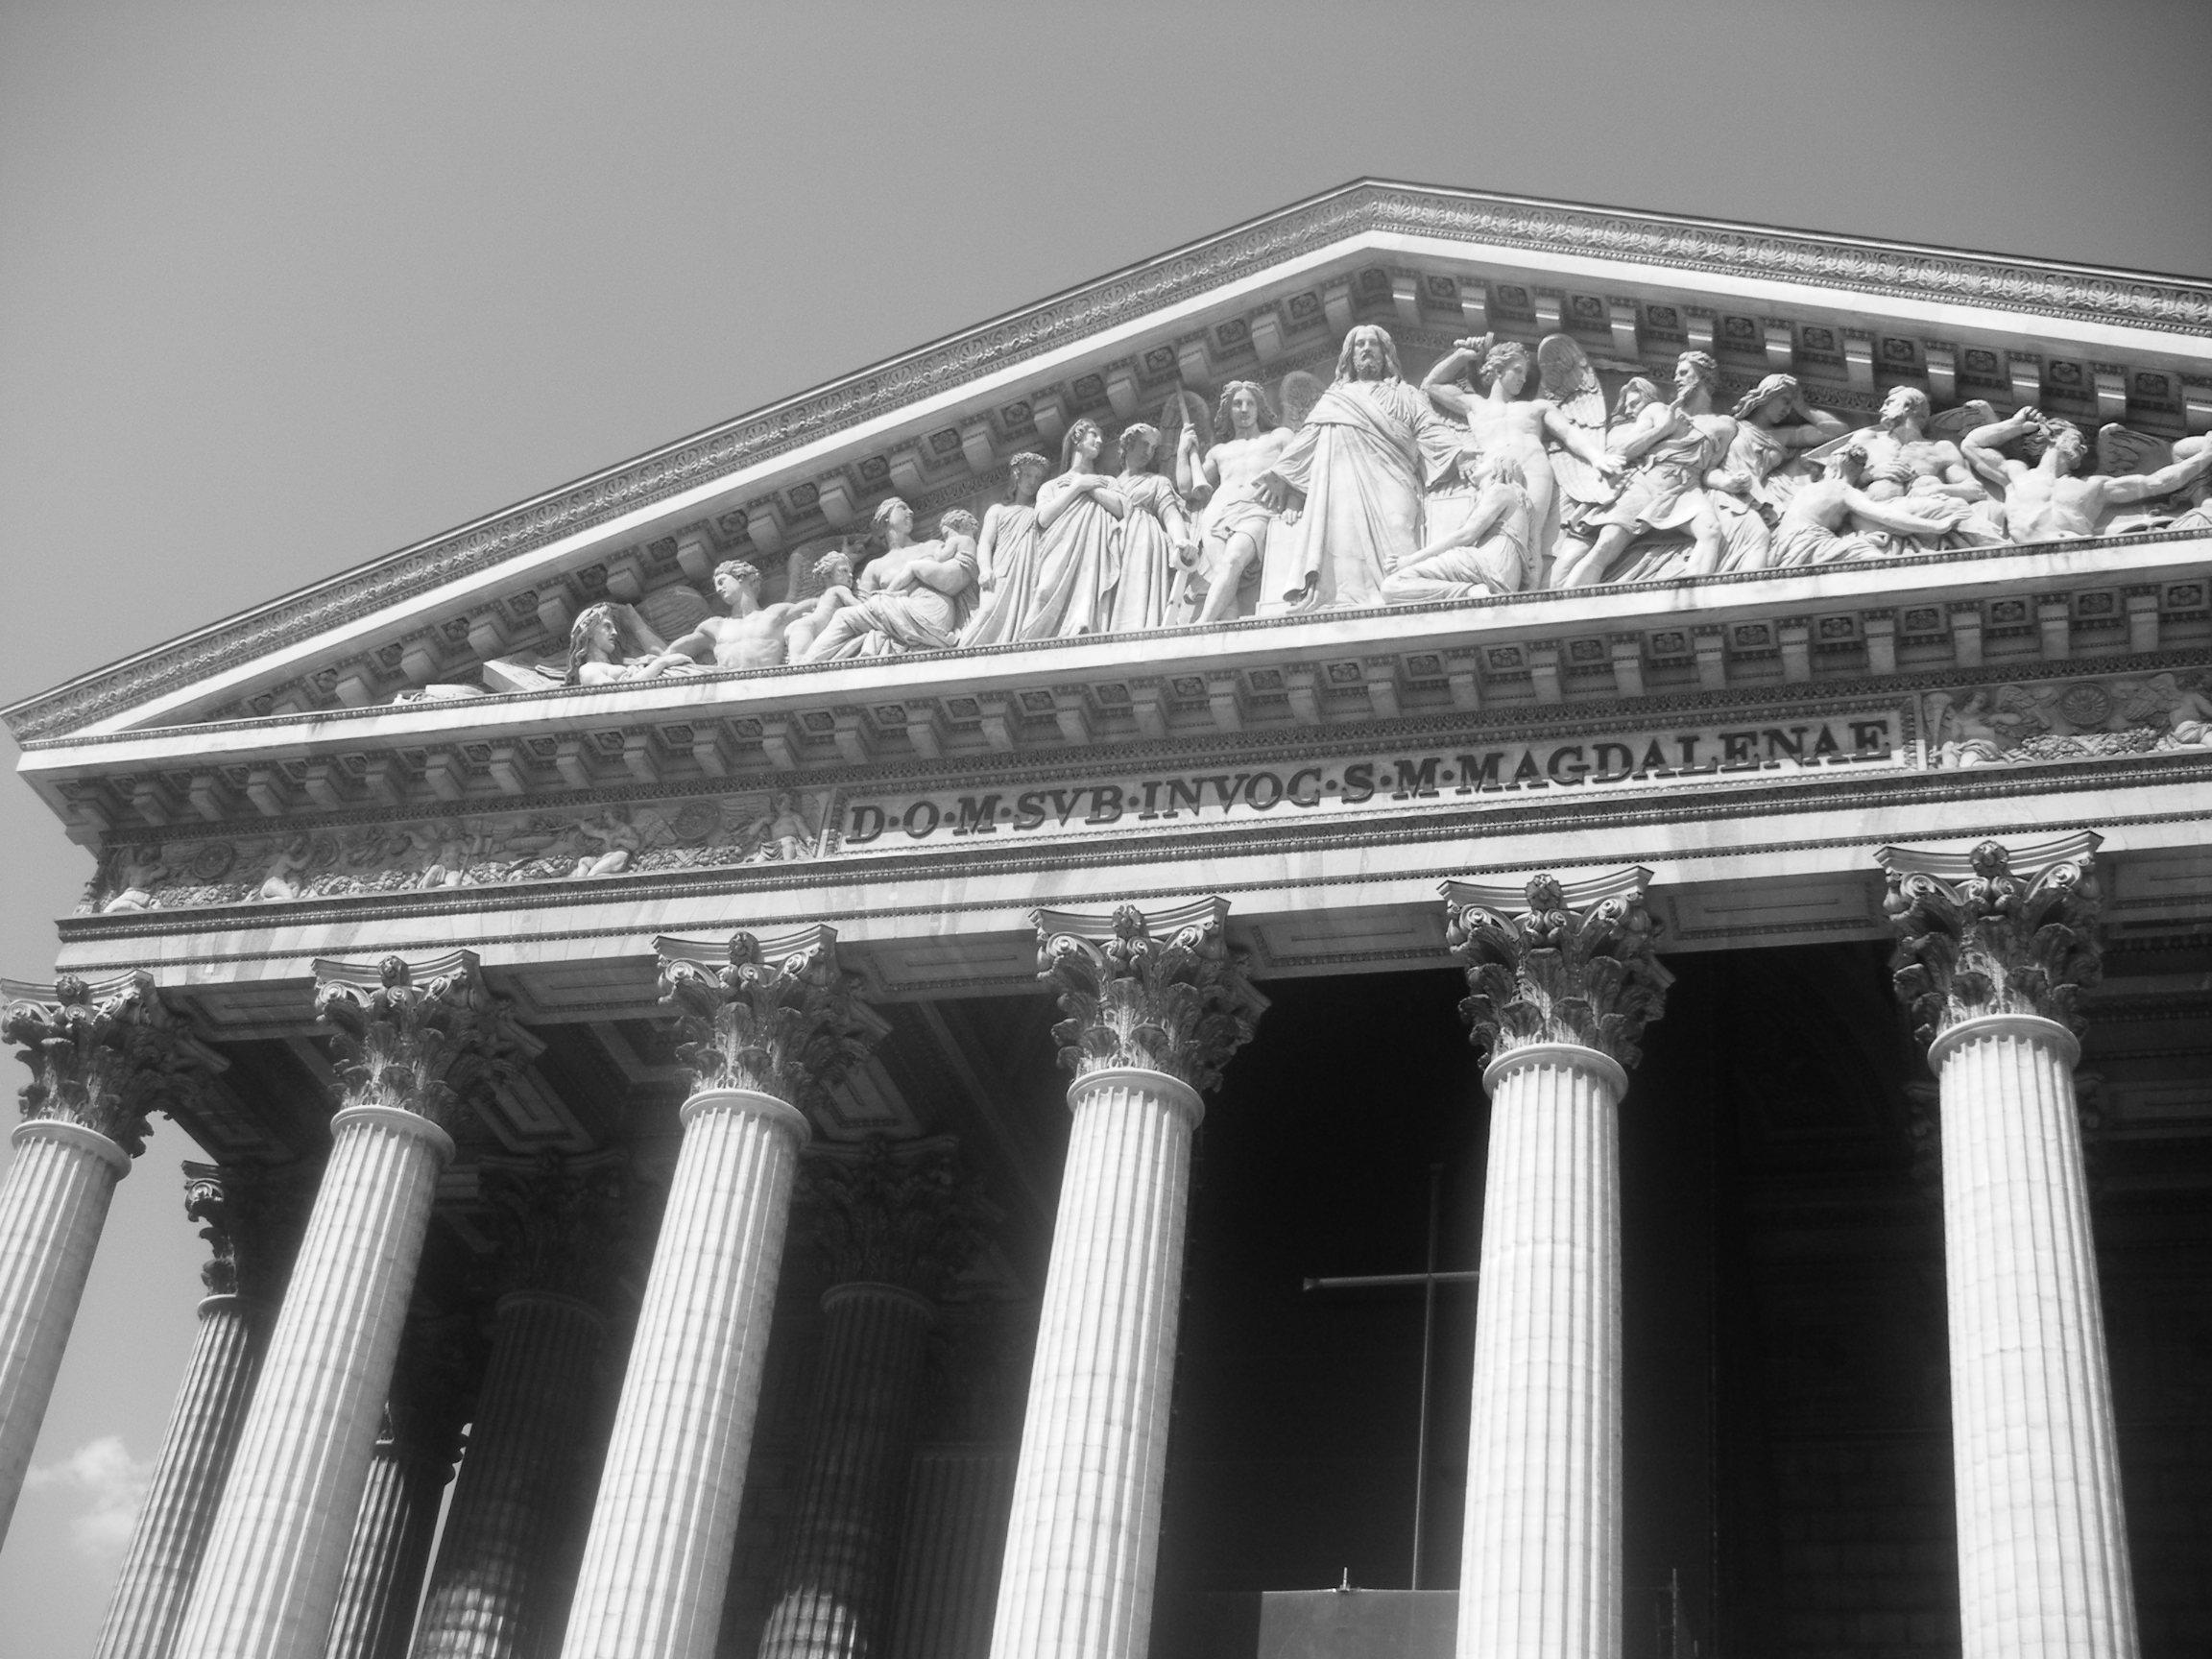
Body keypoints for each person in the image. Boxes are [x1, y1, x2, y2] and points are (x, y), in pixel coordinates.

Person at [1255, 325, 1463, 611]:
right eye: (1359, 345)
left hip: (1394, 476)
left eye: (1372, 344)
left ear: (1385, 353)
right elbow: (1308, 438)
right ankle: (1345, 600)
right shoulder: (1336, 397)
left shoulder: (1405, 393)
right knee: (1344, 541)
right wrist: (1283, 476)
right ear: (1350, 355)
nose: (1366, 349)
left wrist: (1461, 455)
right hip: (1343, 482)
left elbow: (1429, 427)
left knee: (1398, 527)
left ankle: (1406, 595)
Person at [1417, 335, 1621, 573]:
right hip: (1495, 469)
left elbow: (1568, 432)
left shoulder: (1537, 407)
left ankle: (1533, 585)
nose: (1523, 378)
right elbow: (1431, 385)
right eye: (1517, 370)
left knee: (1532, 534)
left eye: (1525, 373)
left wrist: (1596, 457)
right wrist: (1463, 356)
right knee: (1493, 530)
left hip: (1534, 467)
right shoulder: (1474, 405)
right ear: (1498, 370)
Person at [1551, 354, 1734, 586]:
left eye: (1684, 373)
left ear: (1704, 376)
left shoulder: (1725, 425)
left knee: (1711, 530)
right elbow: (1622, 451)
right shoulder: (1658, 410)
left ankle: (1694, 594)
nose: (1677, 379)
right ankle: (1571, 599)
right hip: (1647, 482)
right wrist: (1663, 428)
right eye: (1676, 374)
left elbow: (1710, 471)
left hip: (1686, 488)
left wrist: (1727, 482)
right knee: (1607, 544)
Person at [1962, 410, 2212, 541]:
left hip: (2075, 548)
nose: (2083, 448)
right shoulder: (2016, 474)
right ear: (2052, 436)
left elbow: (2155, 482)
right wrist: (2015, 426)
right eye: (2077, 440)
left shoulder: (2093, 486)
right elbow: (1971, 445)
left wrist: (2204, 457)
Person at [1175, 380, 1293, 623]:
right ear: (1228, 411)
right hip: (1217, 513)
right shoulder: (1219, 451)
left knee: (1233, 560)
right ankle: (1228, 626)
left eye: (1250, 403)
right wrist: (1182, 451)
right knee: (1223, 572)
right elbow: (1187, 488)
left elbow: (1303, 466)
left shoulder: (1279, 437)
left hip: (1257, 508)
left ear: (1259, 408)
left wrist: (1290, 496)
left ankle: (1203, 624)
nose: (1244, 409)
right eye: (1237, 404)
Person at [801, 500, 980, 661]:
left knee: (844, 617)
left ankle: (806, 666)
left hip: (934, 612)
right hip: (900, 616)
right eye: (902, 508)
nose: (910, 512)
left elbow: (958, 576)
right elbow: (861, 605)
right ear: (885, 518)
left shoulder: (932, 546)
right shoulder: (874, 566)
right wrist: (847, 564)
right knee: (850, 614)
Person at [1768, 445, 1972, 566]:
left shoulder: (1805, 490)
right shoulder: (1844, 490)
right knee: (1883, 566)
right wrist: (1936, 526)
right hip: (1811, 545)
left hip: (1782, 549)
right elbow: (1886, 515)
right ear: (1857, 472)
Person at [1381, 452, 1535, 602]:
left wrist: (1408, 560)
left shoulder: (1500, 490)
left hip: (1488, 566)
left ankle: (1468, 591)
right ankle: (1470, 591)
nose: (1478, 461)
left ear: (1497, 468)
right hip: (1507, 578)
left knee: (1392, 585)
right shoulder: (1517, 499)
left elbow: (1466, 535)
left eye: (1484, 460)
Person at [1022, 419, 1126, 639]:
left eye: (1101, 437)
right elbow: (1043, 519)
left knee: (1087, 593)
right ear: (1076, 439)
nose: (1100, 441)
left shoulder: (1106, 481)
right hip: (1058, 548)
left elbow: (1120, 508)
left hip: (1093, 549)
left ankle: (1083, 630)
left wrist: (1089, 487)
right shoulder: (1051, 486)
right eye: (1093, 434)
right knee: (1044, 591)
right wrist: (1077, 486)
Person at [657, 558, 839, 671]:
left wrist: (838, 570)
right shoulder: (714, 626)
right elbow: (673, 651)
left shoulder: (777, 614)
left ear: (742, 578)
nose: (718, 589)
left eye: (722, 581)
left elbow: (824, 603)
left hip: (772, 685)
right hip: (726, 692)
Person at [1104, 423, 1197, 634]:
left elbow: (1170, 514)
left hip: (1142, 539)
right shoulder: (1107, 484)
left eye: (1153, 448)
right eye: (1144, 444)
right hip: (1109, 544)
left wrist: (1181, 541)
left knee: (1136, 596)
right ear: (1128, 445)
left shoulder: (1157, 481)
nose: (1149, 452)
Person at [959, 452, 1051, 646]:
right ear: (1017, 476)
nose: (1032, 482)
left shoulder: (1040, 511)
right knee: (988, 611)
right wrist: (985, 569)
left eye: (1037, 478)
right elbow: (985, 542)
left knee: (1027, 617)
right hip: (1002, 570)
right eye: (1028, 475)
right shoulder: (998, 510)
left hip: (1030, 572)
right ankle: (962, 653)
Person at [564, 602, 700, 685]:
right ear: (588, 632)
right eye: (607, 626)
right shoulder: (588, 670)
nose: (615, 633)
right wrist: (661, 663)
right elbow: (617, 696)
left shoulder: (620, 664)